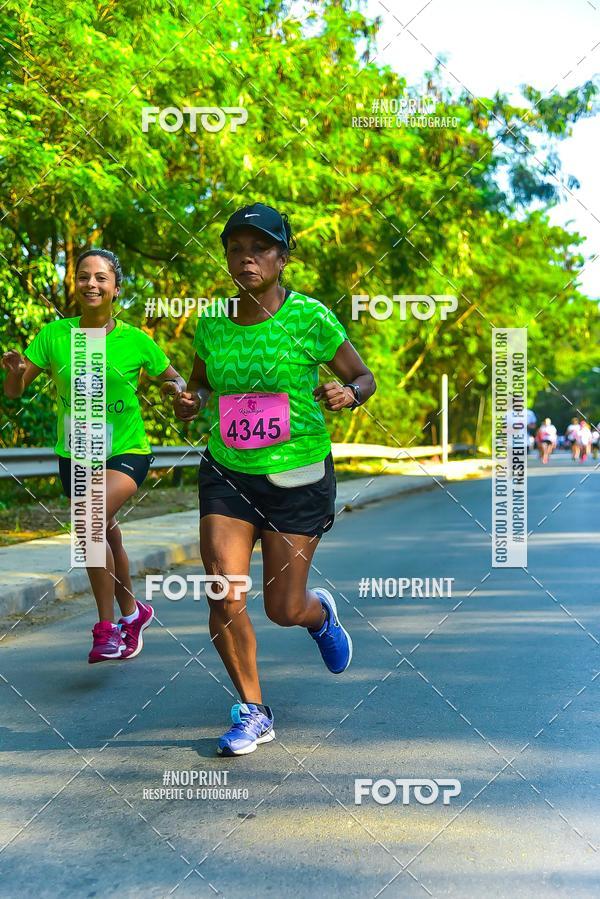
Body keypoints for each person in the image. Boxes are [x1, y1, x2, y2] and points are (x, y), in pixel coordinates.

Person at [171, 203, 376, 756]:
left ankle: (319, 613)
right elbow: (201, 387)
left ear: (282, 258)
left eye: (259, 248)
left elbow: (362, 376)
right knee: (221, 585)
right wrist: (193, 402)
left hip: (297, 476)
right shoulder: (212, 323)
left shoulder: (310, 317)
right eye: (236, 248)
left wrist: (348, 394)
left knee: (281, 608)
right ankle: (253, 709)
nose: (246, 258)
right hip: (227, 471)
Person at [2, 249, 184, 663]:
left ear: (116, 288)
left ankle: (107, 631)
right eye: (84, 276)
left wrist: (175, 392)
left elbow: (172, 379)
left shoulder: (136, 340)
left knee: (88, 521)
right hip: (77, 453)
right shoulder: (54, 335)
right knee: (106, 533)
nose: (91, 284)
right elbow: (15, 391)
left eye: (101, 277)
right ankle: (133, 614)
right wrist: (14, 372)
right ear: (75, 285)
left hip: (126, 450)